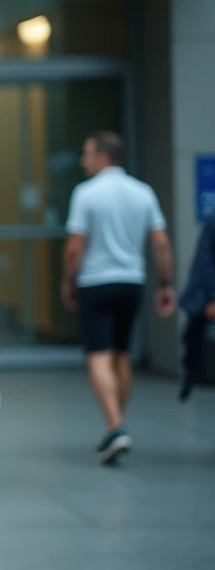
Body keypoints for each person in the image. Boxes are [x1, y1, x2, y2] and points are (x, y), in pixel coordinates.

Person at [61, 131, 175, 465]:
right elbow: (162, 244)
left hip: (96, 282)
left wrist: (68, 280)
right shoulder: (143, 193)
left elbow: (74, 247)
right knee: (121, 353)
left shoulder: (86, 194)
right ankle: (116, 426)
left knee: (98, 353)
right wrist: (165, 282)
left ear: (102, 156)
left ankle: (115, 424)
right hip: (132, 282)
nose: (83, 161)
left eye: (86, 153)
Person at [179, 208, 215, 403]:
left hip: (205, 293)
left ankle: (192, 371)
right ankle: (192, 372)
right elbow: (207, 260)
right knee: (194, 335)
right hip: (205, 293)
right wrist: (212, 297)